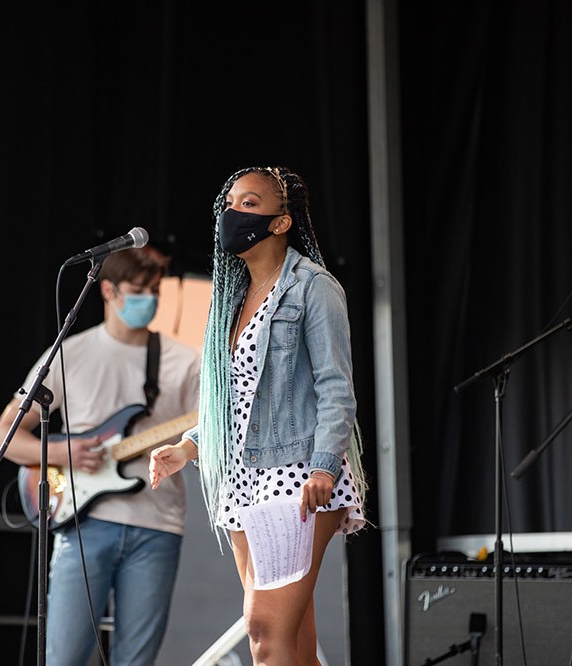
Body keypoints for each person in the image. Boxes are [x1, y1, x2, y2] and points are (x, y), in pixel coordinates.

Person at [149, 166, 367, 665]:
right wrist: (190, 447)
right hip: (243, 481)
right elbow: (238, 401)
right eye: (230, 202)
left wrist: (323, 466)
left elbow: (336, 388)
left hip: (298, 472)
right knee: (293, 642)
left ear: (281, 221)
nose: (233, 212)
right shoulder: (229, 300)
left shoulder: (314, 287)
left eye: (249, 203)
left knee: (266, 631)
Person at [0, 246, 201, 665]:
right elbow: (4, 436)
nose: (150, 300)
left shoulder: (186, 361)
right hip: (83, 525)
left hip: (157, 524)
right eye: (139, 290)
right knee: (63, 658)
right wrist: (61, 452)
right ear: (107, 289)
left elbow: (210, 434)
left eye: (155, 290)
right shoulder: (70, 354)